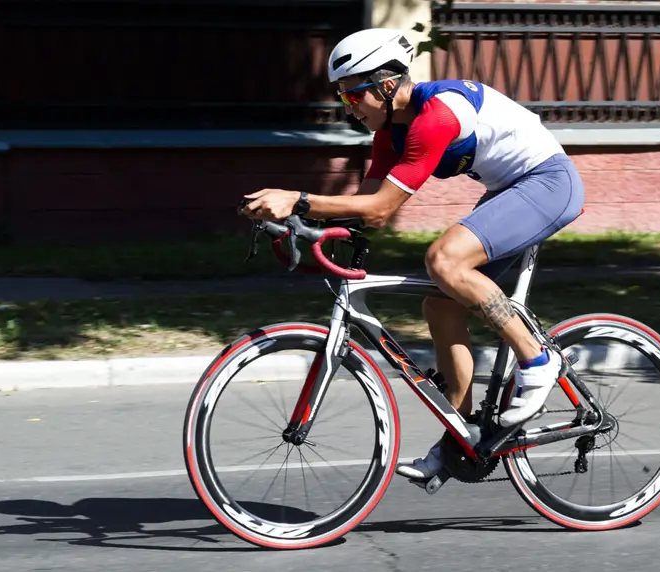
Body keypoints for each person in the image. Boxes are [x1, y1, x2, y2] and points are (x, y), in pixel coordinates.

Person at [240, 27, 586, 481]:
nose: (349, 108)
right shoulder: (390, 133)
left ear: (387, 85)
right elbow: (365, 211)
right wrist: (302, 225)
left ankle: (538, 361)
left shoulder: (434, 117)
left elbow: (381, 208)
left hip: (548, 183)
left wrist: (297, 200)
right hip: (509, 190)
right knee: (441, 304)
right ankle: (461, 438)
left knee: (444, 260)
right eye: (342, 97)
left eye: (353, 95)